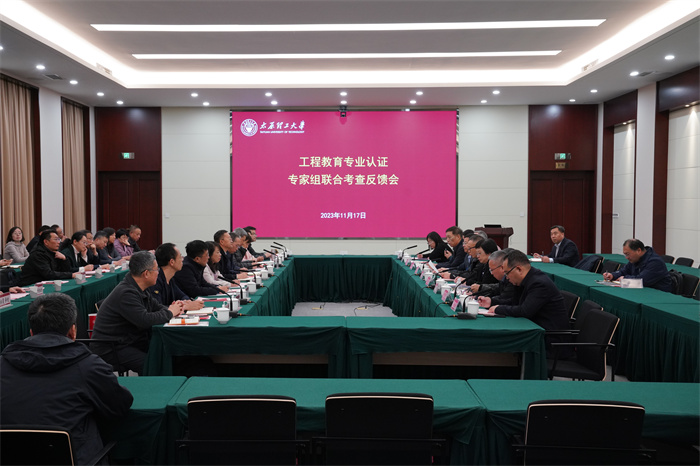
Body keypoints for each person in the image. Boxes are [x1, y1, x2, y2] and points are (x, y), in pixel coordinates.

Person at [0, 294, 133, 465]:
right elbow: (119, 406)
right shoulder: (88, 366)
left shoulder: (2, 364)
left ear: (31, 333)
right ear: (73, 331)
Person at [91, 251, 184, 374]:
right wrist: (170, 312)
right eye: (156, 269)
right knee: (154, 365)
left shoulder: (139, 288)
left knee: (166, 353)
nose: (158, 272)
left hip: (130, 341)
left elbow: (157, 307)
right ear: (146, 273)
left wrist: (172, 309)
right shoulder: (126, 293)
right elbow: (144, 320)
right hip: (112, 347)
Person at [484, 249, 571, 357]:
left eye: (507, 273)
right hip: (536, 334)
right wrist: (492, 302)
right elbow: (515, 302)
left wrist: (498, 309)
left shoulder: (539, 283)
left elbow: (525, 311)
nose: (506, 277)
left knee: (501, 345)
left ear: (519, 269)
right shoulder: (526, 279)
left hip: (549, 342)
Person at [149, 242, 204, 310]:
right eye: (180, 257)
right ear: (172, 262)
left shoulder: (170, 278)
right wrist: (183, 306)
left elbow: (182, 295)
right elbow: (157, 308)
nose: (182, 260)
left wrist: (187, 302)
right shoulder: (155, 280)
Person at [603, 239, 672, 292]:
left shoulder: (655, 262)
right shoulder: (635, 259)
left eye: (628, 254)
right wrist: (612, 275)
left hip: (658, 294)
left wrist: (625, 279)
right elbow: (624, 271)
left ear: (638, 251)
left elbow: (641, 281)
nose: (626, 257)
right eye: (625, 254)